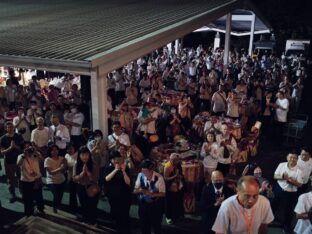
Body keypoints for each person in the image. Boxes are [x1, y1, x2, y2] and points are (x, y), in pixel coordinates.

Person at [273, 152, 304, 233]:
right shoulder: (281, 165)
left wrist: (289, 180)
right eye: (291, 157)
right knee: (275, 204)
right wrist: (283, 177)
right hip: (279, 188)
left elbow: (300, 184)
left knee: (288, 210)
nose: (292, 159)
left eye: (295, 158)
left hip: (290, 193)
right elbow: (275, 176)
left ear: (297, 160)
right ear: (287, 158)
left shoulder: (299, 171)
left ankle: (286, 226)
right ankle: (270, 220)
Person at [134, 159, 166, 234]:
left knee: (156, 226)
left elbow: (163, 193)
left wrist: (152, 194)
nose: (143, 173)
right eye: (142, 171)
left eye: (145, 171)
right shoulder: (140, 175)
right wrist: (140, 190)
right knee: (144, 226)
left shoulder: (159, 178)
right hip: (143, 205)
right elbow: (135, 189)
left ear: (151, 169)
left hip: (155, 206)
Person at [104, 150, 132, 234]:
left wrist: (123, 171)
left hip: (125, 195)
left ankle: (126, 230)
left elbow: (128, 182)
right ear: (111, 160)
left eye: (118, 158)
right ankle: (118, 229)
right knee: (117, 214)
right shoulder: (108, 168)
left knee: (125, 214)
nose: (116, 160)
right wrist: (116, 170)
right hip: (113, 196)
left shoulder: (125, 167)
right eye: (114, 159)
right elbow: (106, 179)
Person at [73, 146, 99, 226]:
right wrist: (82, 173)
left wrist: (87, 172)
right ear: (79, 156)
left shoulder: (94, 163)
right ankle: (85, 220)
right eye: (82, 154)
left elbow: (96, 178)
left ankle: (93, 221)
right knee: (83, 205)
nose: (85, 157)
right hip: (81, 187)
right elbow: (74, 179)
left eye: (87, 154)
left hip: (92, 187)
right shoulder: (76, 164)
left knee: (92, 205)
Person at [17, 143, 44, 216]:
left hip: (37, 179)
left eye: (29, 147)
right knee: (28, 198)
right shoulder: (21, 156)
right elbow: (18, 164)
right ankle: (28, 213)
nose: (28, 149)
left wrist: (36, 152)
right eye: (25, 147)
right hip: (26, 180)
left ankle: (40, 210)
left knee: (39, 197)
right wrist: (24, 156)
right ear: (22, 149)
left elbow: (42, 161)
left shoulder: (35, 154)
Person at [0, 121, 24, 202]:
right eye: (8, 127)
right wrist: (10, 148)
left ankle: (22, 191)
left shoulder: (19, 136)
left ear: (14, 127)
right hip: (9, 162)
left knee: (21, 177)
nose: (10, 129)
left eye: (11, 127)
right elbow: (2, 152)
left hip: (19, 160)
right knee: (11, 179)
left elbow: (22, 148)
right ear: (6, 129)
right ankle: (12, 193)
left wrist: (15, 146)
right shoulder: (2, 139)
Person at [44, 144, 67, 213]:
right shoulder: (47, 160)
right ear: (50, 151)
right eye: (52, 150)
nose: (55, 151)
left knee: (60, 195)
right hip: (51, 181)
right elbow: (51, 172)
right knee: (56, 195)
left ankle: (58, 205)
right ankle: (54, 206)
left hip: (61, 180)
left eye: (56, 150)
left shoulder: (62, 158)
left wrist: (65, 165)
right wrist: (60, 168)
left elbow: (64, 171)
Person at [163, 153, 184, 224]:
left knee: (176, 202)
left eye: (177, 161)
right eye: (175, 161)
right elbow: (165, 178)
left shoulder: (177, 164)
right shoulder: (167, 166)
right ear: (171, 160)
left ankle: (176, 215)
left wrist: (180, 176)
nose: (177, 162)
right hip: (169, 188)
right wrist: (175, 176)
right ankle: (168, 217)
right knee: (169, 203)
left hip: (177, 186)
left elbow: (181, 173)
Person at [64, 144, 78, 211]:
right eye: (68, 149)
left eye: (71, 148)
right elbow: (66, 166)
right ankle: (72, 207)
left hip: (77, 177)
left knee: (78, 192)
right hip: (70, 177)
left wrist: (71, 168)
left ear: (74, 148)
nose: (70, 150)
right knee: (72, 192)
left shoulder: (77, 154)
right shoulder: (66, 155)